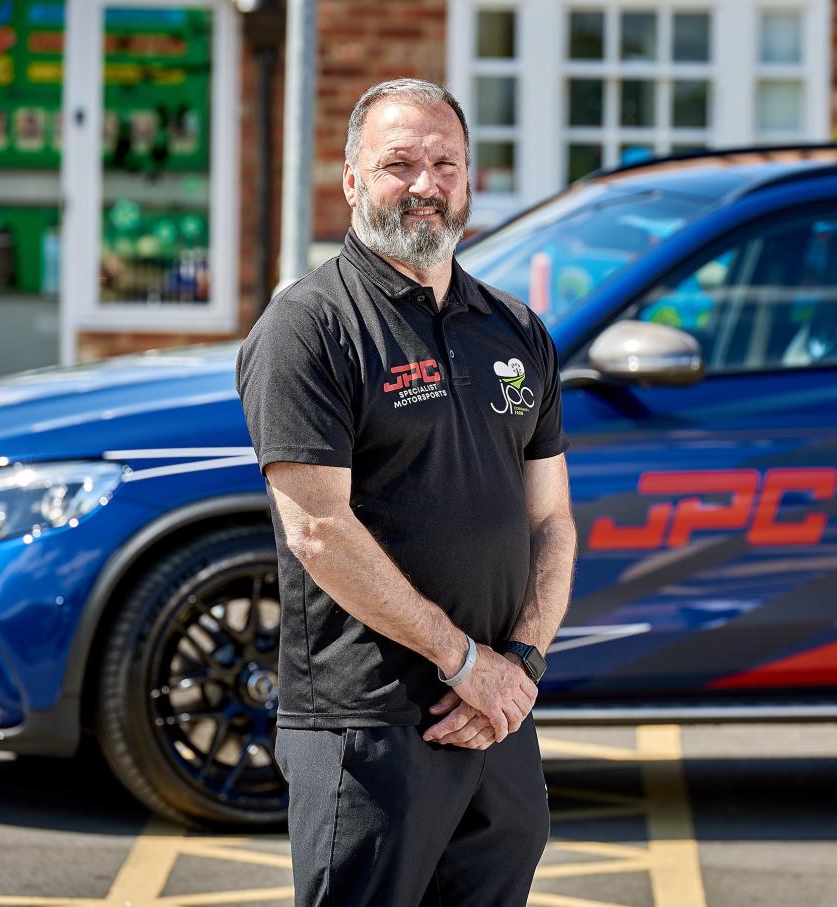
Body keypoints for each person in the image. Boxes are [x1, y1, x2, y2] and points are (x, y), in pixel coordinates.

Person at [235, 78, 576, 907]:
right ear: (351, 181)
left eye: (444, 163)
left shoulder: (515, 328)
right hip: (369, 727)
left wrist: (519, 667)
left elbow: (554, 520)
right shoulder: (310, 326)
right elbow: (318, 528)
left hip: (496, 718)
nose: (425, 184)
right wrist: (462, 661)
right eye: (398, 164)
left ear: (469, 179)